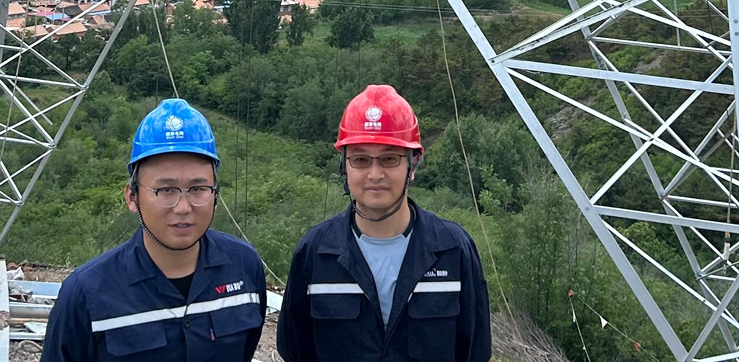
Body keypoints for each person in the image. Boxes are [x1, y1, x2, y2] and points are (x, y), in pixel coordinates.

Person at [277, 84, 491, 362]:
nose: (375, 174)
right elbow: (295, 350)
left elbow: (474, 350)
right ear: (344, 165)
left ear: (413, 165)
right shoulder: (314, 253)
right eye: (361, 159)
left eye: (389, 158)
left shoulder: (453, 250)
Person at [43, 98, 267, 362]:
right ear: (132, 197)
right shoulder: (86, 294)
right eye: (166, 190)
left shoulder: (244, 266)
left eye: (198, 189)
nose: (183, 207)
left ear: (215, 194)